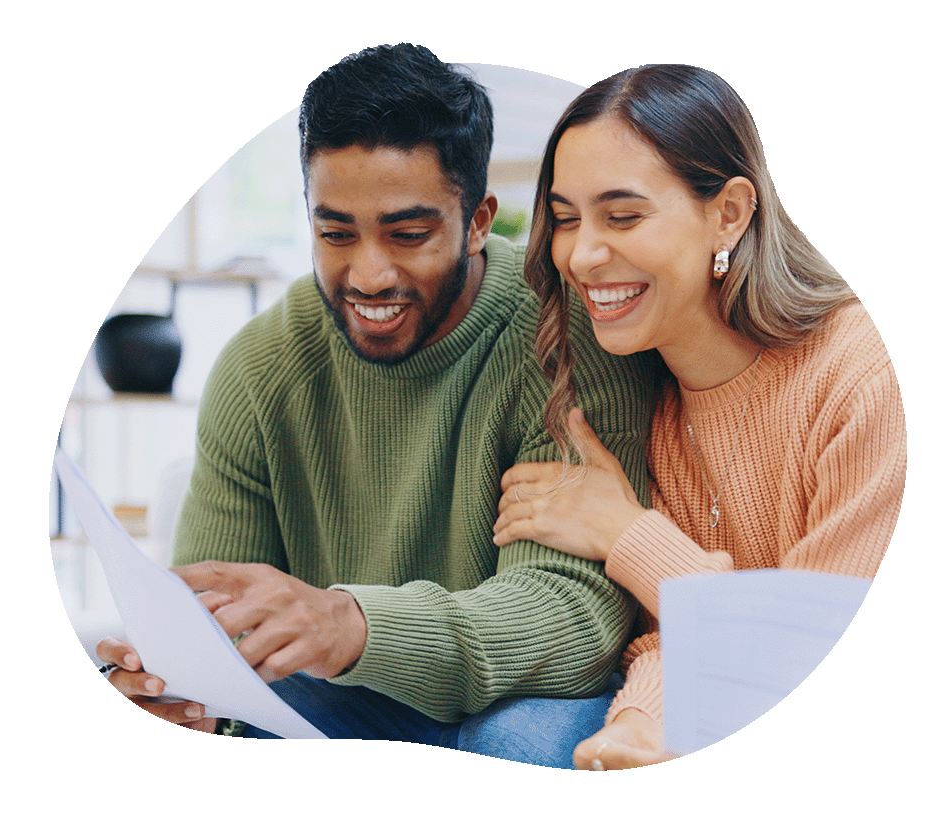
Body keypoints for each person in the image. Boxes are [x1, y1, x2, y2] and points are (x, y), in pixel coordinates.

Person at [96, 44, 658, 768]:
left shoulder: (561, 332)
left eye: (407, 234)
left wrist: (356, 624)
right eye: (335, 233)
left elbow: (571, 620)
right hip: (346, 694)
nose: (368, 273)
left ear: (480, 219)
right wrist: (175, 691)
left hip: (527, 699)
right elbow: (218, 623)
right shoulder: (259, 367)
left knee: (516, 744)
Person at [492, 64, 906, 769]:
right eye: (565, 219)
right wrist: (635, 728)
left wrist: (626, 533)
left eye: (622, 216)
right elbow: (671, 636)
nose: (582, 254)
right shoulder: (647, 394)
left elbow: (827, 656)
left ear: (730, 213)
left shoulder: (866, 378)